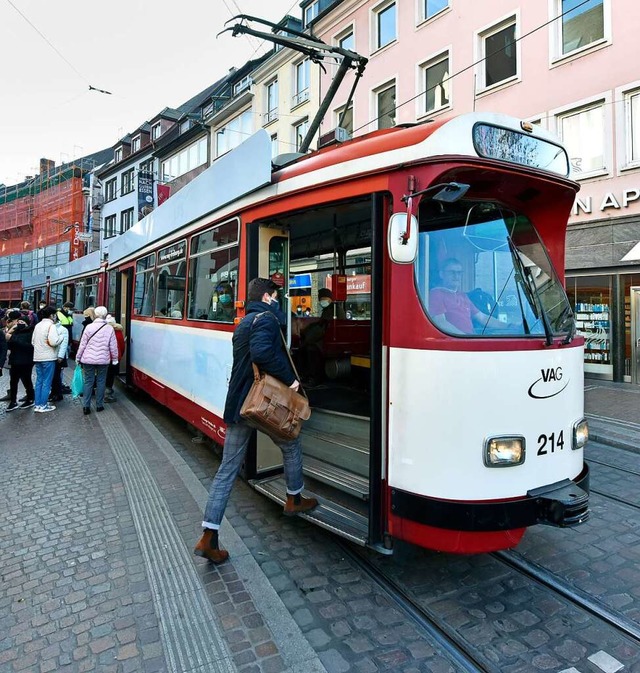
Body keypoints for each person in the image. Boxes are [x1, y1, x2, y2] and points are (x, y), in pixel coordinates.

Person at [194, 277, 318, 564]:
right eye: (274, 296)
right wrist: (291, 381)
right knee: (291, 441)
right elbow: (262, 353)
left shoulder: (243, 324)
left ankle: (208, 535)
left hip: (240, 405)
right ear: (266, 297)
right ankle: (295, 498)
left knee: (227, 469)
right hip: (262, 404)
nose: (277, 301)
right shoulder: (266, 319)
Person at [429, 258, 513, 335]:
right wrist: (465, 337)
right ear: (442, 274)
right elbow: (440, 322)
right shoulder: (436, 294)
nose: (456, 276)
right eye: (452, 272)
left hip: (468, 340)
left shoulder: (462, 296)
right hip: (454, 344)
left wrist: (508, 326)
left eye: (459, 273)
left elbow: (482, 318)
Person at [76, 306, 119, 415]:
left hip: (88, 359)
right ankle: (99, 405)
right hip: (103, 360)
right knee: (101, 382)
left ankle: (86, 406)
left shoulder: (89, 327)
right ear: (105, 315)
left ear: (95, 315)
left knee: (88, 381)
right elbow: (113, 346)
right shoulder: (109, 328)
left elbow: (82, 344)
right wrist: (114, 359)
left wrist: (78, 357)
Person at [31, 306, 61, 413]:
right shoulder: (51, 326)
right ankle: (43, 405)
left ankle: (37, 404)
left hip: (37, 357)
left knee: (39, 381)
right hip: (48, 357)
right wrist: (60, 338)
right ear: (52, 315)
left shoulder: (37, 325)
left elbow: (33, 342)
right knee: (47, 382)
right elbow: (53, 342)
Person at [4, 310, 35, 410]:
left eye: (23, 323)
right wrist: (10, 332)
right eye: (19, 322)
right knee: (13, 382)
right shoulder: (15, 332)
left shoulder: (30, 332)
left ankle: (30, 398)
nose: (20, 324)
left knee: (27, 381)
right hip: (15, 361)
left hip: (26, 361)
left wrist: (12, 337)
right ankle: (13, 401)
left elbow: (28, 346)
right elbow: (8, 344)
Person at [49, 311, 69, 403]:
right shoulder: (48, 327)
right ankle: (53, 392)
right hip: (50, 355)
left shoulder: (63, 329)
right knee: (52, 376)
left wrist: (60, 356)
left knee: (56, 375)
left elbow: (64, 344)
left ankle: (57, 393)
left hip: (58, 356)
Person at [104, 316, 126, 402]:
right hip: (113, 358)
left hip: (102, 357)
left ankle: (99, 393)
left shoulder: (102, 330)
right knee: (110, 375)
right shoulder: (118, 332)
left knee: (102, 375)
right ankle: (108, 393)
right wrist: (119, 357)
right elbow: (122, 346)